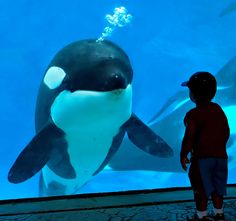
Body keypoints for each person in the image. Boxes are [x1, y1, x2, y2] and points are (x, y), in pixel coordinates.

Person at [180, 72, 230, 221]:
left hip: (202, 159)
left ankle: (201, 216)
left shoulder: (193, 114)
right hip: (220, 158)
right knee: (218, 188)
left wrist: (183, 154)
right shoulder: (218, 109)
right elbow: (225, 131)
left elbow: (189, 137)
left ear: (193, 95)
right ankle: (219, 213)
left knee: (200, 189)